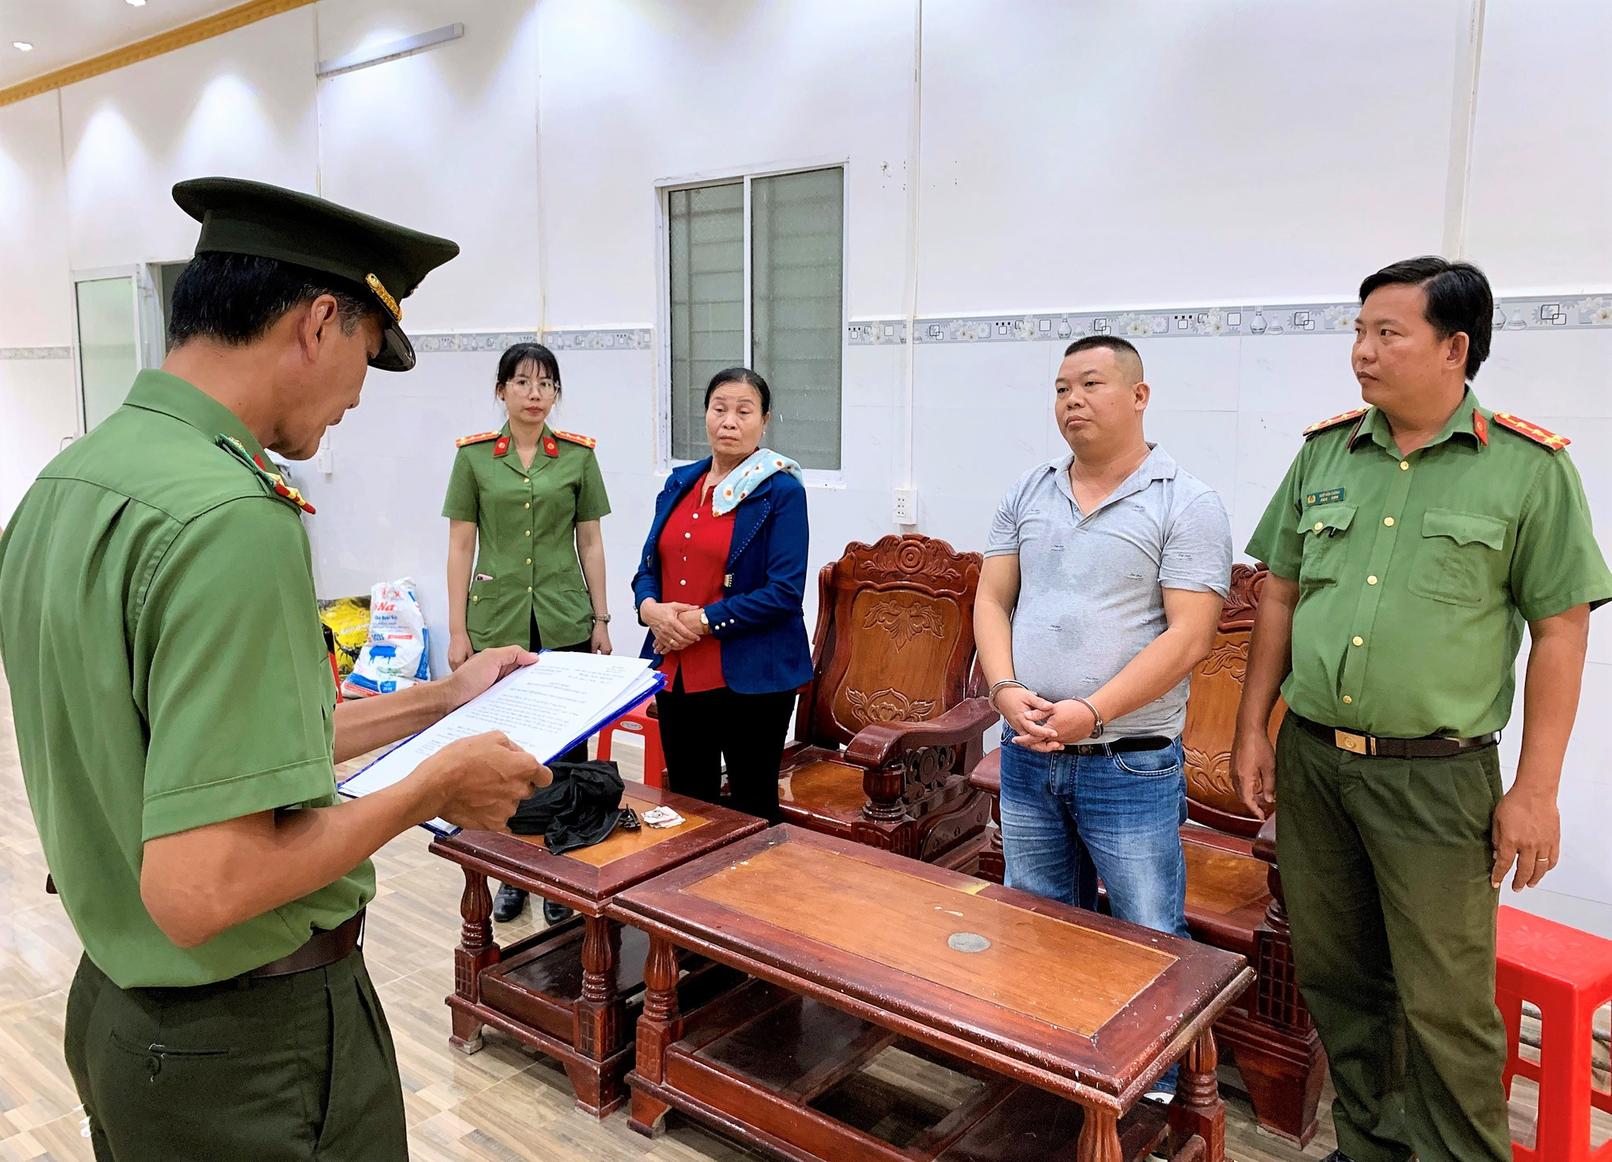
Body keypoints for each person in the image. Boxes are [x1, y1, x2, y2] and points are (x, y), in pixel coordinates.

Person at [0, 177, 549, 1161]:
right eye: (366, 360)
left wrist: (441, 699)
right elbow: (201, 887)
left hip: (124, 1018)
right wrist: (431, 790)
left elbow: (223, 754)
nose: (355, 397)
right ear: (319, 323)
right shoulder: (232, 519)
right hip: (250, 1056)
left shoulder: (67, 484)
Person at [1233, 256, 1612, 1162]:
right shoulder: (1326, 453)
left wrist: (1535, 792)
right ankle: (1370, 1146)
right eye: (1359, 332)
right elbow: (1279, 594)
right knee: (1341, 982)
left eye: (1386, 333)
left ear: (1454, 347)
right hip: (1316, 762)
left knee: (1445, 1004)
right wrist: (1252, 728)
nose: (1361, 352)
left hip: (1436, 779)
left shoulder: (1527, 468)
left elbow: (1561, 633)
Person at [974, 336, 1231, 1096]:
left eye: (1090, 384)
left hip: (1129, 758)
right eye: (1061, 388)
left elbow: (1190, 636)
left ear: (1139, 396)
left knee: (1148, 932)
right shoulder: (1029, 490)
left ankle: (1153, 1084)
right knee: (1036, 916)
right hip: (1029, 749)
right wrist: (1003, 688)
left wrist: (1093, 710)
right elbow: (992, 597)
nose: (1072, 401)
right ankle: (1050, 1063)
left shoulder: (1186, 502)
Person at [444, 341, 612, 925]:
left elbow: (590, 541)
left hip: (564, 616)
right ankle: (511, 872)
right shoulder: (473, 458)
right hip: (496, 620)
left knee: (568, 747)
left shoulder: (578, 457)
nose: (534, 394)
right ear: (502, 391)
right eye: (521, 382)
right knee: (504, 749)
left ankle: (561, 874)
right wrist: (457, 630)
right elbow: (460, 545)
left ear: (556, 393)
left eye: (545, 384)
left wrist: (601, 619)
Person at [631, 367, 812, 823]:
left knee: (750, 808)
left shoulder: (780, 491)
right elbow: (648, 569)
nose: (729, 421)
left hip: (751, 677)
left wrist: (701, 621)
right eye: (720, 409)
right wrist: (650, 609)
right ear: (706, 415)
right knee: (688, 804)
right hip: (679, 669)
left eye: (744, 412)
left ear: (764, 421)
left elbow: (784, 592)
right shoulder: (680, 485)